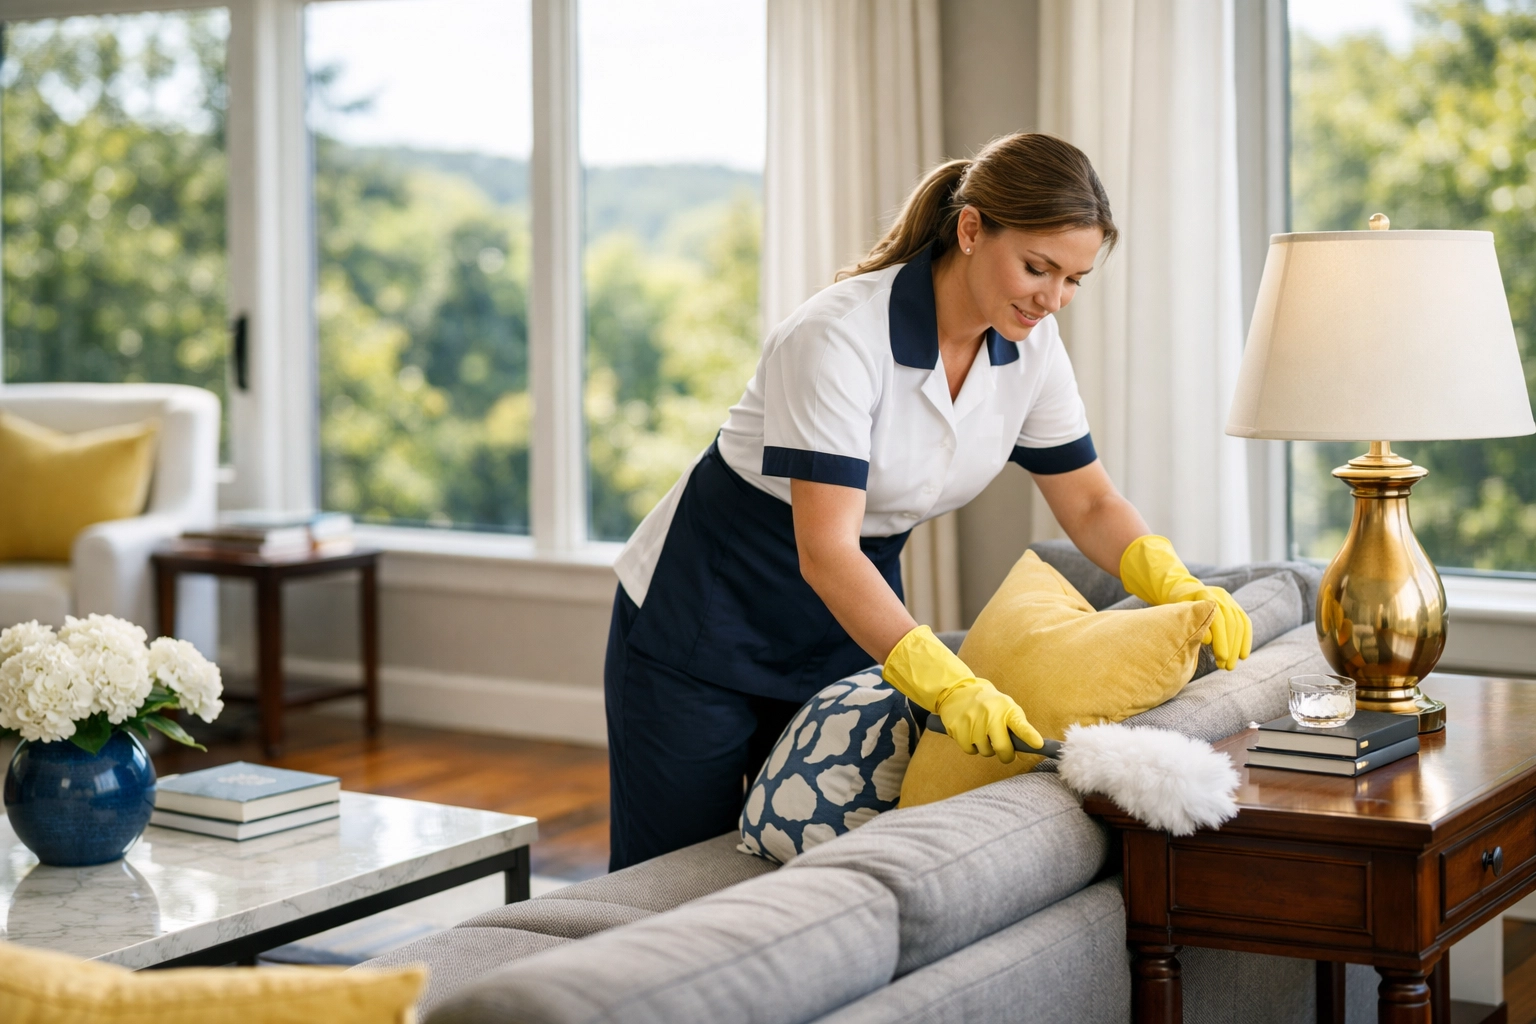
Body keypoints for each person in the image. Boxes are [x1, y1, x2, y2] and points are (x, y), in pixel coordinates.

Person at [603, 132, 1252, 870]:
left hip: (853, 615)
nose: (1052, 300)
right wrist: (946, 682)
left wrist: (1174, 582)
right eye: (1037, 268)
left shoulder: (1031, 347)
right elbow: (825, 549)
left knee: (812, 861)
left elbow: (1090, 502)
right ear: (970, 229)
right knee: (673, 873)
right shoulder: (838, 337)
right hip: (706, 611)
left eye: (1074, 279)